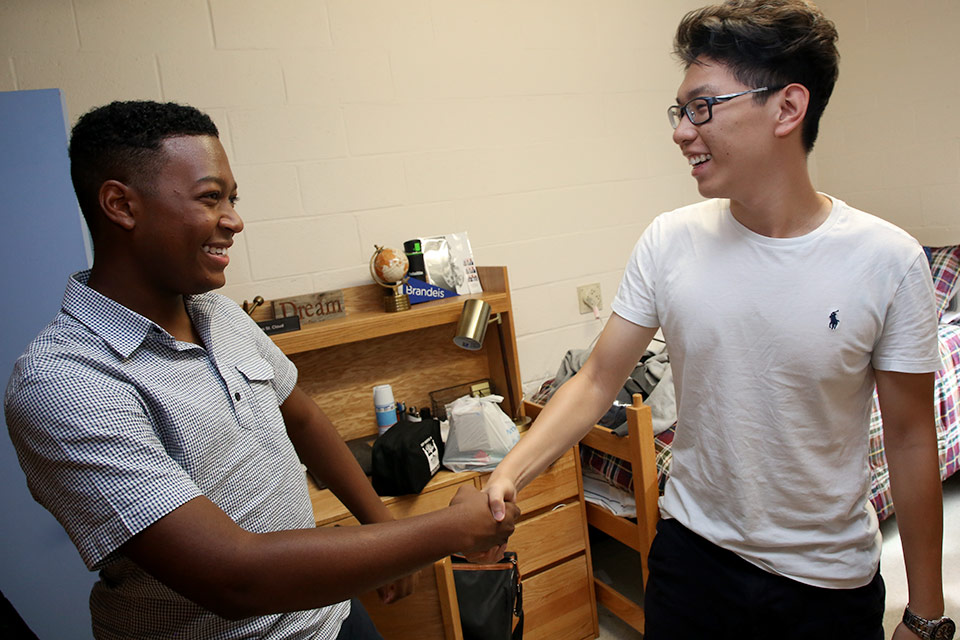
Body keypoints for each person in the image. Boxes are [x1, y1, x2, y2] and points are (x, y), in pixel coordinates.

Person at [483, 1, 954, 639]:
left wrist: (926, 616)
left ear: (788, 108)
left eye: (702, 107)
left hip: (826, 583)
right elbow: (597, 379)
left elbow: (908, 440)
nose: (682, 131)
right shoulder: (668, 241)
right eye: (680, 110)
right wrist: (510, 471)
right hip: (691, 559)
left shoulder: (889, 261)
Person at [4, 100, 519, 640]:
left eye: (232, 198)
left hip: (327, 614)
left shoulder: (220, 315)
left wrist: (383, 529)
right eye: (210, 198)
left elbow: (304, 420)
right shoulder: (65, 382)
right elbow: (234, 577)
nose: (234, 220)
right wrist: (446, 530)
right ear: (121, 205)